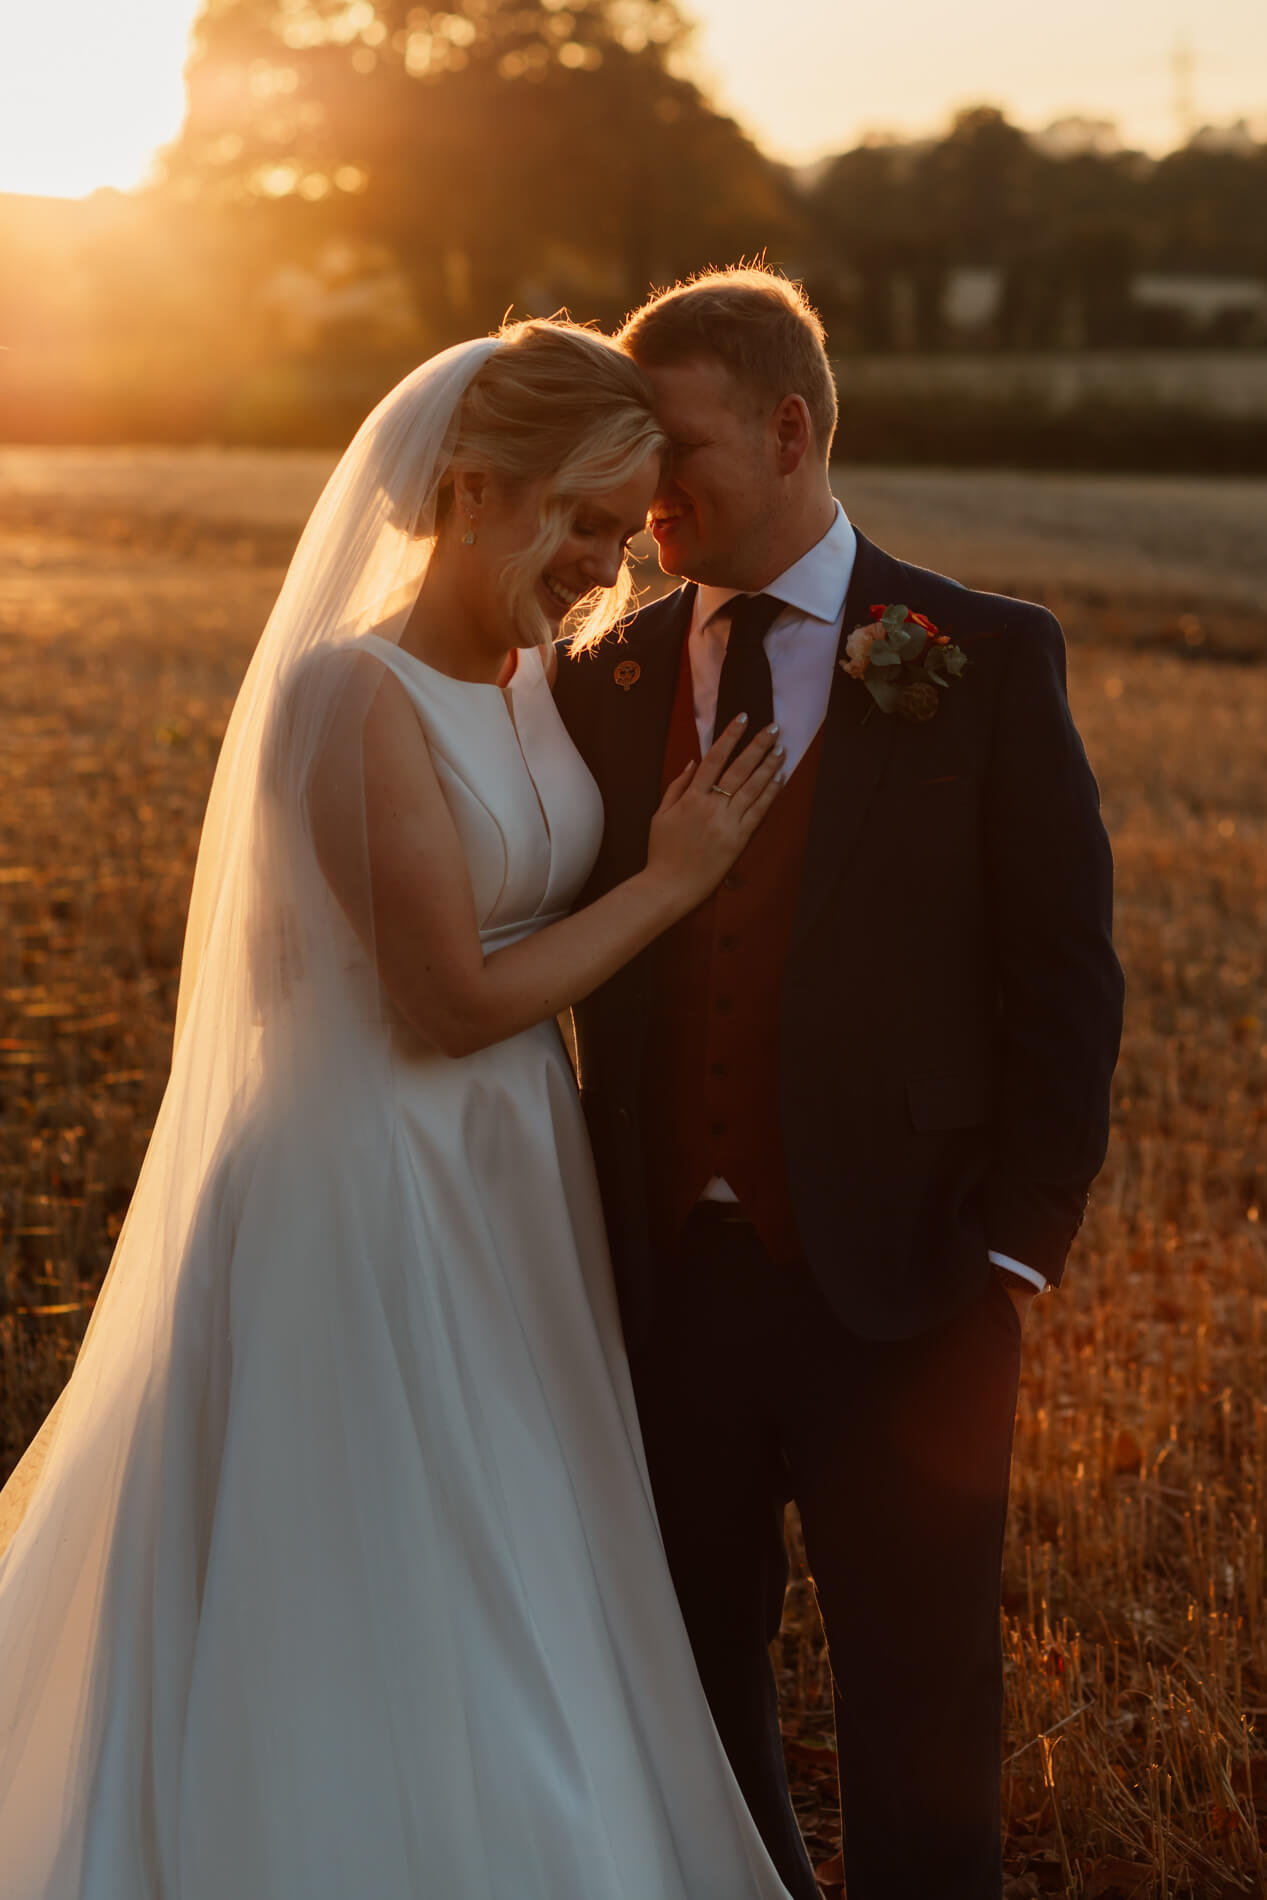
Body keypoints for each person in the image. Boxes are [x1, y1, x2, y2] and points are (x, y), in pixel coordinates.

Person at [0, 320, 795, 1899]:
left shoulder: (532, 683)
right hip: (367, 1176)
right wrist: (672, 881)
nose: (599, 564)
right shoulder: (347, 697)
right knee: (376, 1556)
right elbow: (452, 1003)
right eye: (575, 523)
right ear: (471, 487)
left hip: (506, 1180)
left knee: (516, 1537)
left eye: (622, 531)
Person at [554, 267, 1125, 1900]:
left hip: (912, 1292)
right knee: (688, 1694)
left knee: (921, 1707)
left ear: (791, 429)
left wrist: (1013, 1252)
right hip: (660, 1294)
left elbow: (1065, 980)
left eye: (676, 450)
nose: (644, 495)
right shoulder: (605, 671)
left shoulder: (981, 656)